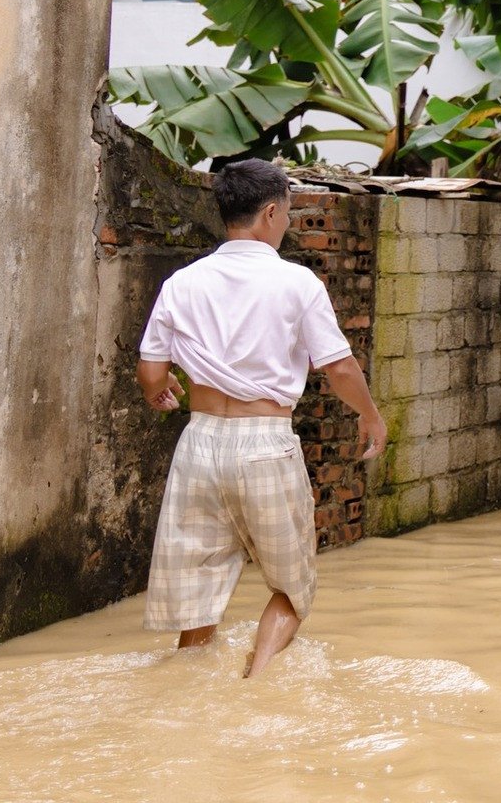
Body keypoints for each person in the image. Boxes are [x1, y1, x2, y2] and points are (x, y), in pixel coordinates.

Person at [135, 159, 388, 678]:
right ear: (271, 212)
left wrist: (161, 393)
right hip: (264, 445)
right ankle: (256, 684)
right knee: (293, 587)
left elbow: (151, 369)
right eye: (289, 212)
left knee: (198, 596)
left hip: (200, 444)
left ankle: (188, 692)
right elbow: (338, 366)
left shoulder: (183, 283)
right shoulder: (296, 283)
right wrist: (370, 416)